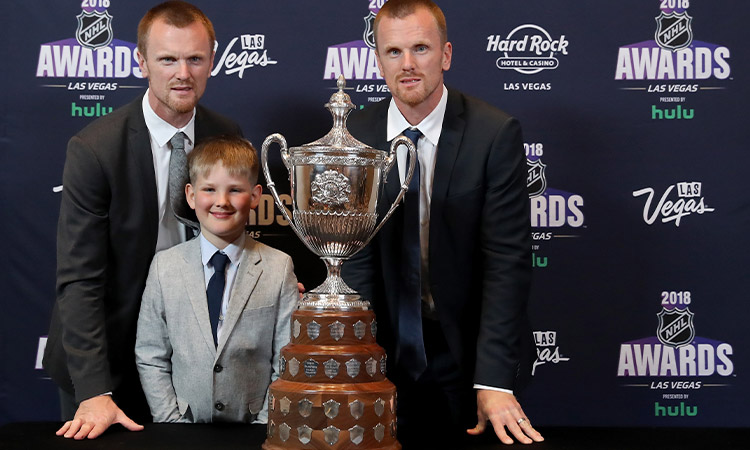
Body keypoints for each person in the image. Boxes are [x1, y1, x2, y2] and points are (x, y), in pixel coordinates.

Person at [341, 0, 544, 446]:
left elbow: (506, 262)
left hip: (465, 353)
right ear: (377, 59)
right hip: (384, 347)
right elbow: (353, 258)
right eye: (393, 52)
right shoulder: (353, 133)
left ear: (446, 55)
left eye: (421, 48)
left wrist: (492, 380)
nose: (408, 65)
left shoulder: (494, 133)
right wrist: (361, 360)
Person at [43, 1, 242, 440]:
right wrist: (94, 390)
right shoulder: (95, 148)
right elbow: (79, 279)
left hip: (192, 353)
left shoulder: (226, 135)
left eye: (195, 58)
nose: (183, 73)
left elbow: (235, 242)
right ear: (141, 62)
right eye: (167, 59)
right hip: (106, 357)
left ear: (212, 59)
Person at [134, 136, 298, 423]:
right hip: (183, 429)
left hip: (254, 431)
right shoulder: (164, 267)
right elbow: (151, 354)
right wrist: (172, 422)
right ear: (191, 195)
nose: (222, 202)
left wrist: (262, 425)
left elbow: (287, 360)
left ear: (256, 196)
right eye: (209, 189)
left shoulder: (278, 268)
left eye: (235, 190)